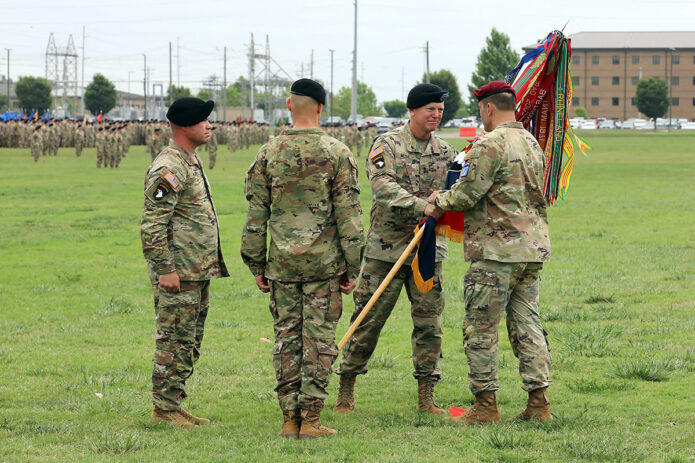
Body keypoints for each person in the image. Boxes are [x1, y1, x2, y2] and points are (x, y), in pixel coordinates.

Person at [241, 78, 364, 439]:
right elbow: (350, 217)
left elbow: (255, 216)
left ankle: (288, 420)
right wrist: (352, 265)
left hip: (280, 265)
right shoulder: (337, 152)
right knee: (319, 341)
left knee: (286, 340)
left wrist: (255, 264)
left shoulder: (267, 153)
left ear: (289, 105)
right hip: (324, 267)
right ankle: (310, 419)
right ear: (321, 108)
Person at [428, 81, 552, 423]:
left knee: (480, 329)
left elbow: (465, 195)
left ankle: (485, 407)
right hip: (531, 251)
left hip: (496, 252)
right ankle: (539, 404)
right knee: (527, 326)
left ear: (487, 108)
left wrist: (436, 201)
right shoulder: (531, 142)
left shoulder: (489, 144)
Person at [334, 83, 456, 415]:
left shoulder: (446, 151)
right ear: (412, 110)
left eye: (440, 110)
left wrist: (446, 203)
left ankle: (426, 396)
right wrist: (423, 206)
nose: (436, 115)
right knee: (367, 320)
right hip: (385, 251)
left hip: (427, 252)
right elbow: (383, 188)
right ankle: (346, 388)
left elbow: (453, 193)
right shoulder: (386, 144)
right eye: (430, 109)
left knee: (429, 324)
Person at [141, 97, 229, 429]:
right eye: (203, 120)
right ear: (184, 125)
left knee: (188, 340)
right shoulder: (170, 165)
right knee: (173, 338)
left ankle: (173, 404)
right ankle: (163, 409)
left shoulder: (188, 160)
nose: (210, 125)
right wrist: (165, 269)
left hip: (195, 268)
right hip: (178, 271)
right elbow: (152, 223)